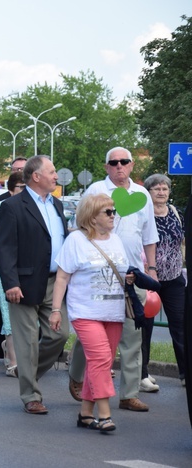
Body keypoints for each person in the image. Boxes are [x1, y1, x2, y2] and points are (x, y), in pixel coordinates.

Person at [68, 147, 158, 412]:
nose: (120, 166)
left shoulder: (142, 194)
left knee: (132, 337)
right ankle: (77, 374)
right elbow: (81, 226)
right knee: (93, 336)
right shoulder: (96, 190)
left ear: (131, 166)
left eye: (125, 162)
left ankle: (128, 393)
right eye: (114, 162)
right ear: (106, 166)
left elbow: (149, 236)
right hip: (100, 275)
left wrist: (151, 269)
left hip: (131, 276)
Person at [52, 194, 134, 433]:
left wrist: (129, 276)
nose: (113, 216)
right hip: (85, 311)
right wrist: (56, 310)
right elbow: (62, 277)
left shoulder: (116, 240)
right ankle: (105, 414)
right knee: (99, 360)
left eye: (113, 211)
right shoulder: (76, 240)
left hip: (114, 312)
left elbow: (122, 269)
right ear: (92, 216)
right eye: (107, 212)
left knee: (101, 362)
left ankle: (85, 413)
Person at [0, 156, 69, 414]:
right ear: (36, 176)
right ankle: (31, 396)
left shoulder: (57, 205)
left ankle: (29, 371)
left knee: (60, 334)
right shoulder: (13, 206)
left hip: (54, 282)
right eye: (52, 171)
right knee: (27, 342)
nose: (56, 176)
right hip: (23, 284)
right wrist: (11, 283)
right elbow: (4, 249)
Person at [141, 174, 185, 388]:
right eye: (156, 189)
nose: (161, 192)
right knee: (146, 327)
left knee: (180, 326)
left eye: (164, 189)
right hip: (150, 279)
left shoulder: (176, 213)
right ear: (148, 192)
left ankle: (185, 373)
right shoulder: (144, 215)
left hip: (175, 278)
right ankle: (143, 374)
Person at [0, 171, 26, 377]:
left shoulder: (33, 208)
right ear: (11, 189)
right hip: (6, 266)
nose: (23, 191)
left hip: (29, 268)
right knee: (8, 311)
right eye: (20, 187)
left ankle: (19, 353)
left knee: (28, 314)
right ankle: (13, 361)